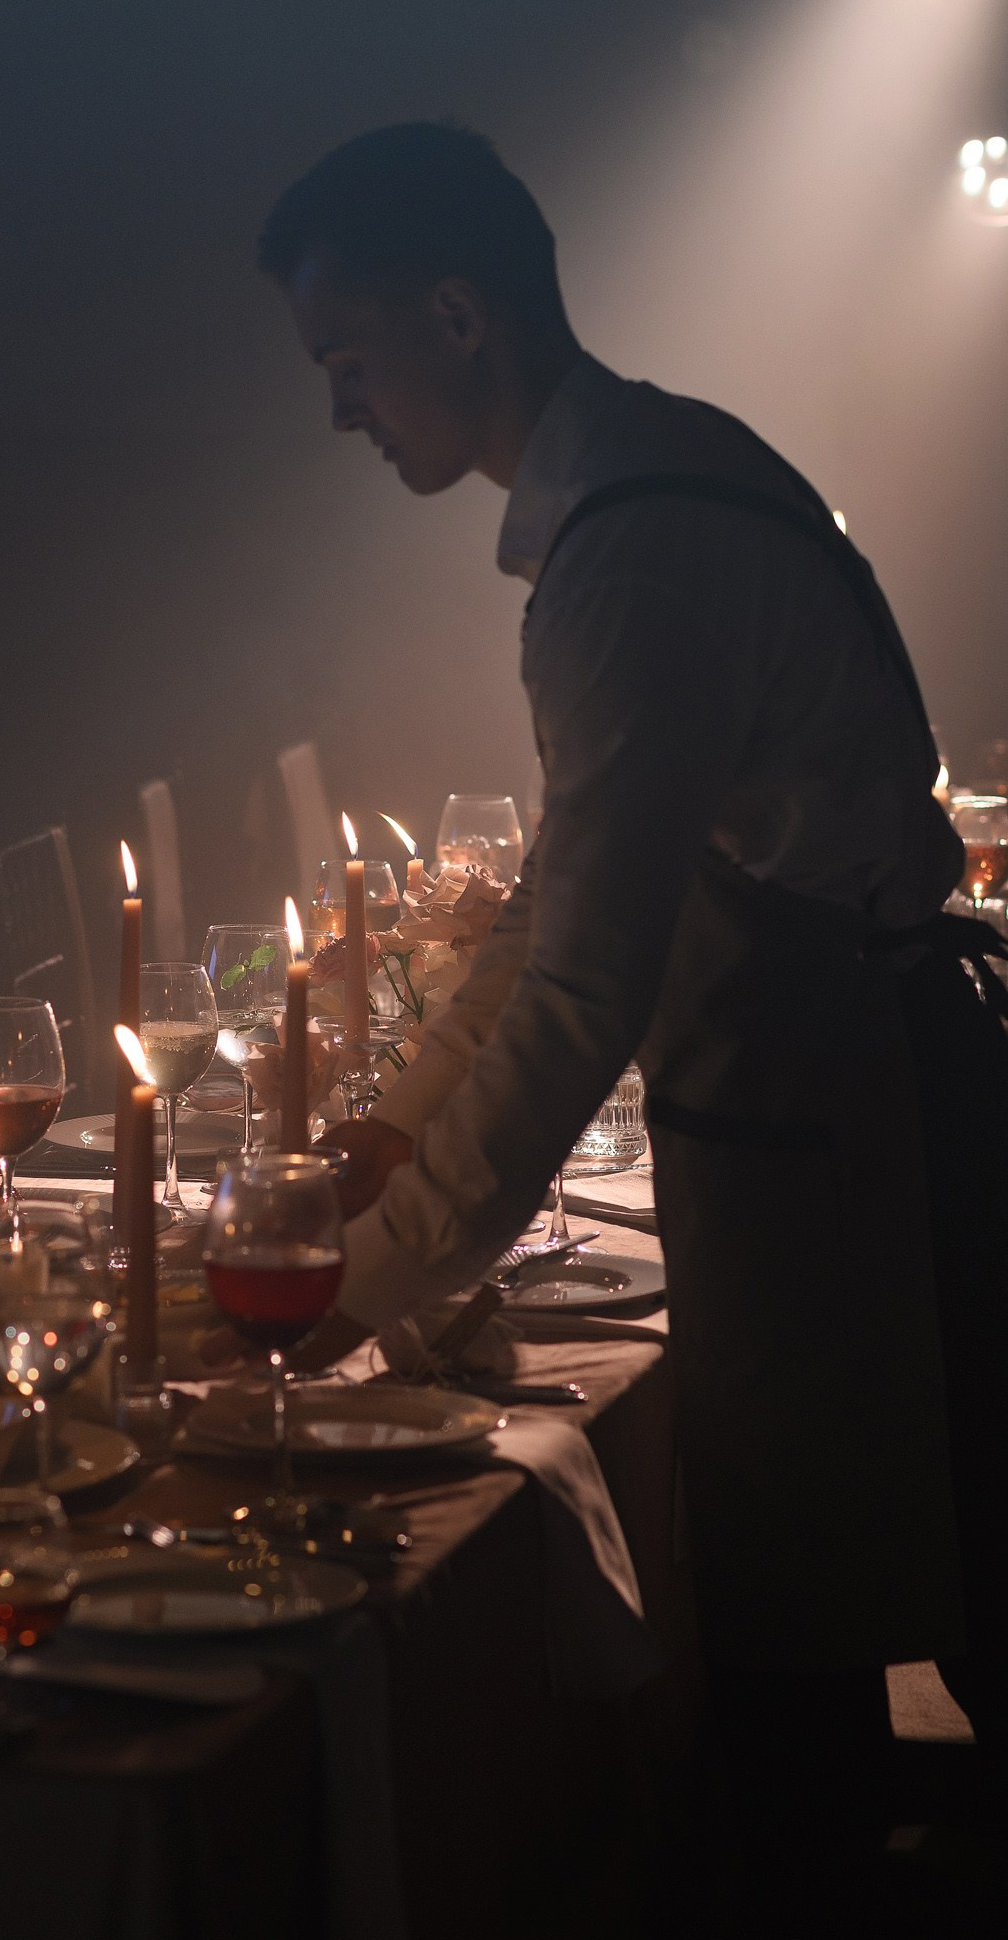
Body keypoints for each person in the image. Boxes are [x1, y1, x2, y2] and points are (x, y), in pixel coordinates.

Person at [258, 121, 1008, 1830]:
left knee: (840, 1679)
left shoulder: (629, 558)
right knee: (843, 1618)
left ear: (458, 315)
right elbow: (556, 902)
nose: (340, 412)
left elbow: (583, 993)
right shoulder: (657, 473)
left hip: (847, 1139)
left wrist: (358, 1292)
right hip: (823, 1115)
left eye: (347, 361)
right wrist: (394, 1126)